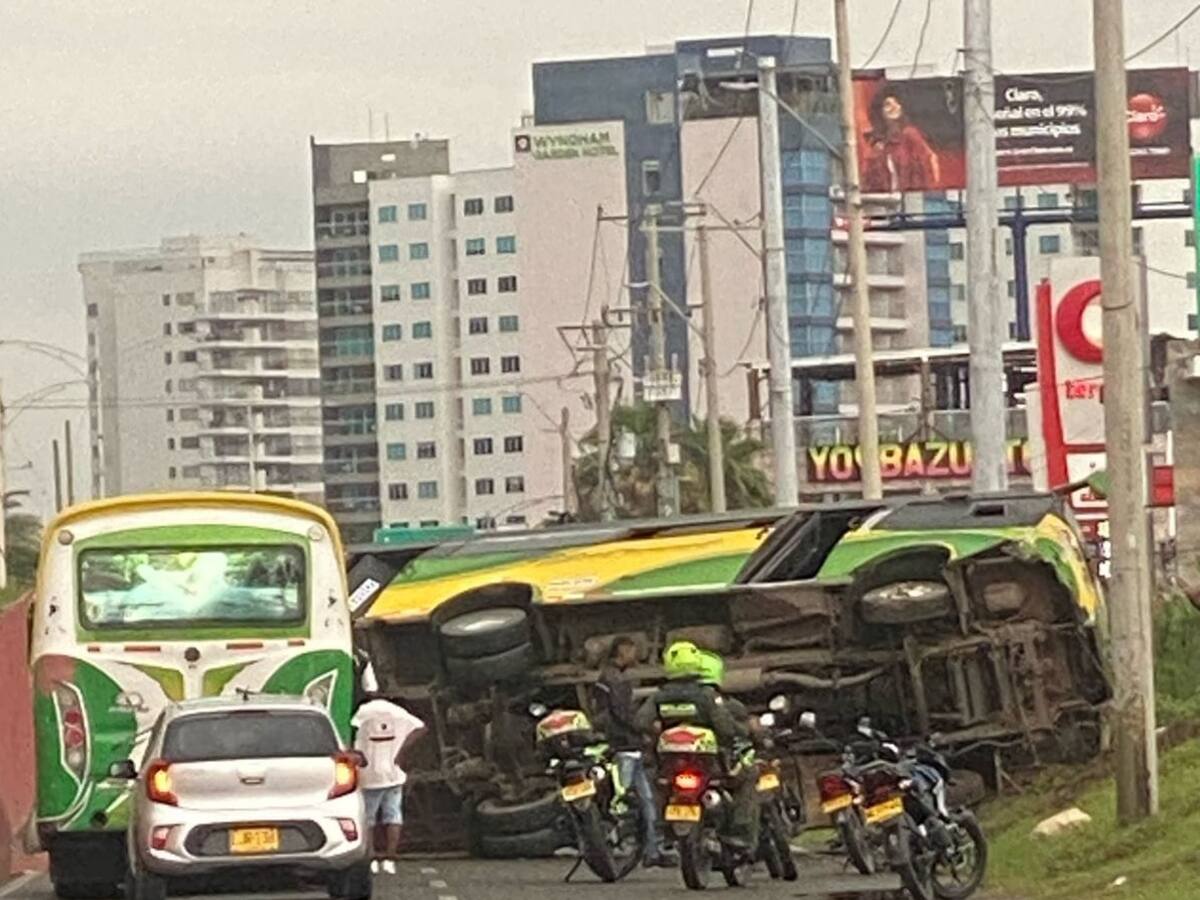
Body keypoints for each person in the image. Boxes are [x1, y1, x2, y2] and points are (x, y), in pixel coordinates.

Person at [634, 641, 758, 850]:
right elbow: (726, 729)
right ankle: (740, 830)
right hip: (710, 766)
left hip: (670, 766)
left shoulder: (658, 696)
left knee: (656, 783)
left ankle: (661, 828)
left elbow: (640, 723)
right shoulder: (707, 696)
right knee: (749, 774)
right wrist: (745, 732)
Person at [593, 636, 676, 868]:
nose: (635, 654)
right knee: (627, 797)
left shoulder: (608, 677)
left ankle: (652, 850)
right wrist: (644, 729)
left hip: (628, 745)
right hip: (625, 745)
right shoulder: (615, 679)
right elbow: (622, 713)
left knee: (646, 798)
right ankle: (620, 842)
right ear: (622, 651)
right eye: (632, 650)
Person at [351, 694, 426, 875]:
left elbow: (351, 730)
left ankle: (371, 853)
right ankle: (391, 854)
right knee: (393, 815)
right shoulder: (398, 712)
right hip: (393, 774)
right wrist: (401, 751)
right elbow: (421, 728)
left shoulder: (363, 712)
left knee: (368, 817)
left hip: (369, 776)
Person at [862, 86, 942, 193]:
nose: (894, 107)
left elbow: (929, 162)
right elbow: (869, 180)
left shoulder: (910, 134)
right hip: (886, 203)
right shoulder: (877, 144)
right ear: (880, 111)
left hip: (912, 202)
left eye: (898, 103)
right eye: (888, 104)